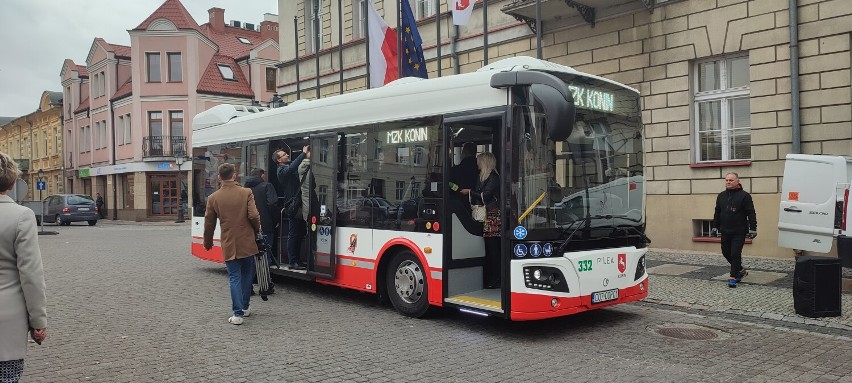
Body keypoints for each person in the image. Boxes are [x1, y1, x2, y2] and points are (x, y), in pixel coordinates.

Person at [0, 151, 47, 382]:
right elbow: (31, 274)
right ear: (11, 183)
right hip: (6, 322)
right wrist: (38, 322)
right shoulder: (21, 216)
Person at [203, 163, 261, 325]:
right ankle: (246, 307)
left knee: (234, 277)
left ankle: (237, 314)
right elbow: (254, 215)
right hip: (247, 241)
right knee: (247, 275)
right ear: (234, 175)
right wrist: (257, 230)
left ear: (219, 177)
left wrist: (207, 243)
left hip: (229, 242)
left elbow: (209, 224)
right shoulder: (246, 192)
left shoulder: (213, 198)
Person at [712, 172, 757, 288]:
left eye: (731, 180)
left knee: (735, 253)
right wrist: (714, 226)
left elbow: (751, 213)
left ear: (737, 182)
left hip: (739, 230)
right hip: (725, 230)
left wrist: (753, 228)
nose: (728, 182)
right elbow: (717, 212)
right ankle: (740, 270)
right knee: (726, 253)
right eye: (726, 180)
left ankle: (733, 277)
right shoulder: (721, 195)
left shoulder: (745, 196)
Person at [275, 145, 309, 270]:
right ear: (279, 160)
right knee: (294, 234)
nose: (287, 155)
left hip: (298, 204)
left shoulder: (286, 168)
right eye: (284, 155)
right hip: (292, 206)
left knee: (299, 233)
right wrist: (303, 154)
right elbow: (291, 168)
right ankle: (292, 260)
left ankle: (297, 260)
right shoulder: (281, 170)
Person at [472, 152, 501, 289]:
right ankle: (491, 278)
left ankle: (495, 279)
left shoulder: (494, 177)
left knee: (492, 248)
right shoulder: (483, 177)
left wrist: (470, 193)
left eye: (479, 161)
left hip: (492, 215)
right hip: (486, 214)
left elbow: (486, 196)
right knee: (489, 248)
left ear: (485, 162)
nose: (476, 164)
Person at [245, 168, 279, 273]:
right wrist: (275, 220)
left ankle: (250, 280)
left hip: (248, 226)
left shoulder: (244, 189)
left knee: (250, 254)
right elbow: (272, 204)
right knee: (265, 254)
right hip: (265, 225)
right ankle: (265, 283)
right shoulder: (267, 186)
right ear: (262, 176)